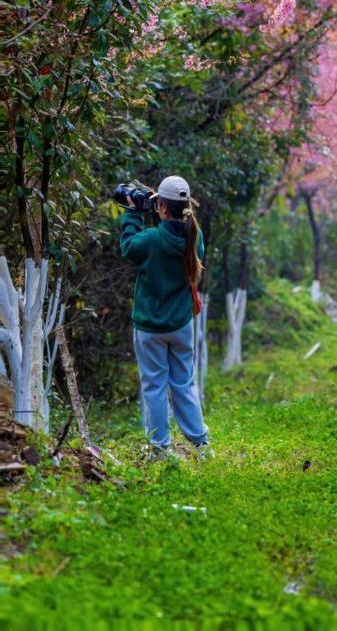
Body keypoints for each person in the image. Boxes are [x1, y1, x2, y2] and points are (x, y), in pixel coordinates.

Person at [120, 174, 212, 461]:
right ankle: (201, 444)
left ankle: (161, 447)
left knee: (154, 385)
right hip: (181, 324)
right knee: (184, 383)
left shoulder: (149, 240)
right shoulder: (195, 239)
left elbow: (129, 247)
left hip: (150, 328)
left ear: (161, 207)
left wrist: (133, 213)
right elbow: (171, 235)